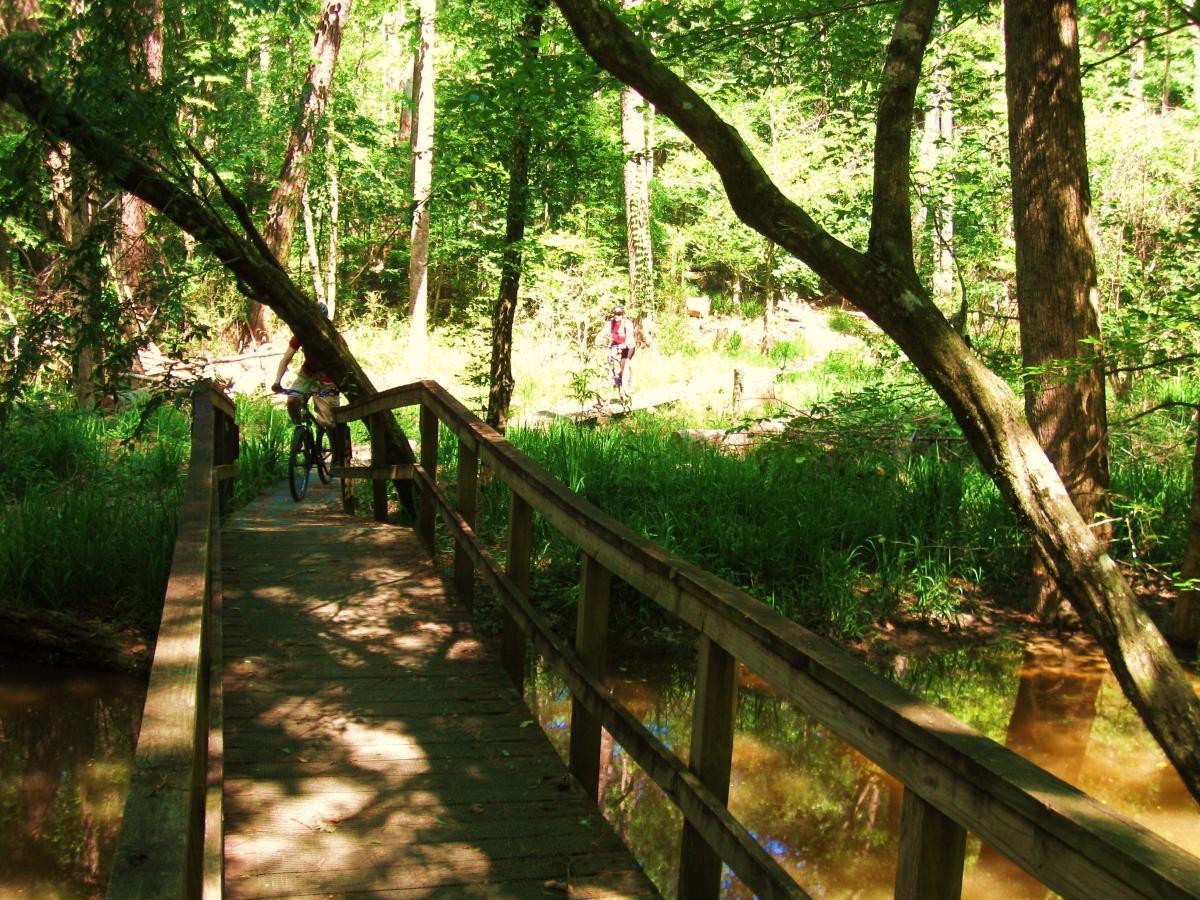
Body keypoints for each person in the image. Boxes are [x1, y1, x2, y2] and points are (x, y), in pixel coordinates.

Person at [271, 303, 338, 428]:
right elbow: (286, 358)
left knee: (328, 422)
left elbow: (342, 361)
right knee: (292, 400)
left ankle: (336, 443)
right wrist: (277, 382)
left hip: (327, 378)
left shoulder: (334, 337)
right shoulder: (301, 334)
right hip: (307, 374)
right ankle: (299, 428)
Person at [607, 304, 636, 396]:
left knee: (625, 364)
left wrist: (626, 343)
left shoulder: (627, 323)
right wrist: (597, 339)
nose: (617, 316)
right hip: (617, 344)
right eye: (615, 314)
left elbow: (629, 335)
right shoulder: (611, 323)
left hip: (628, 346)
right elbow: (603, 331)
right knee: (609, 357)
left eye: (619, 314)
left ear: (623, 314)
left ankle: (624, 388)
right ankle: (615, 376)